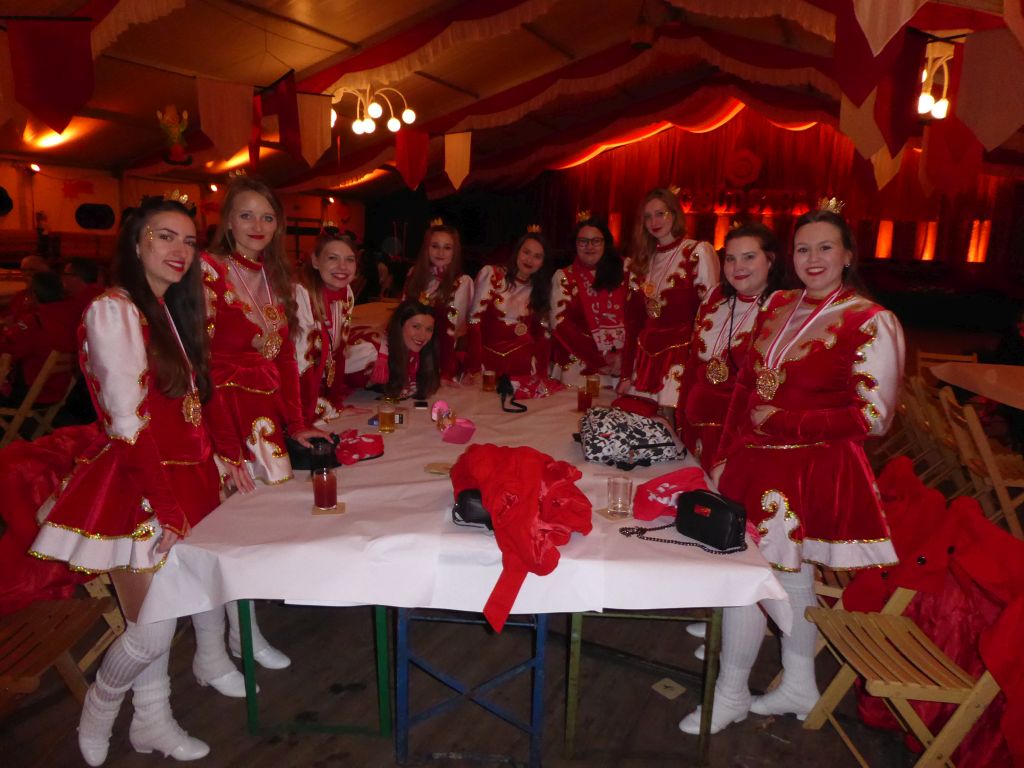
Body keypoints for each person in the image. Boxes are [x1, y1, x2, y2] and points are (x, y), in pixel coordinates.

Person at [679, 207, 906, 736]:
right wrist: (725, 456)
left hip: (810, 470)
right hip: (753, 463)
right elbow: (746, 387)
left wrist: (785, 420)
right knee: (771, 577)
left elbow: (873, 418)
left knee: (765, 577)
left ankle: (735, 694)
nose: (813, 258)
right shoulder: (779, 304)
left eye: (825, 247)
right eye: (804, 248)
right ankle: (792, 686)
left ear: (848, 255)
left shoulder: (870, 320)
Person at [27, 197, 233, 765]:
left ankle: (152, 722)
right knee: (150, 632)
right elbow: (128, 423)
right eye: (165, 236)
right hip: (136, 484)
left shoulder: (165, 310)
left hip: (179, 479)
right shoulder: (113, 310)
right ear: (136, 243)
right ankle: (98, 710)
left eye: (188, 241)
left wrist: (219, 464)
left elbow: (185, 412)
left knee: (169, 616)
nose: (179, 250)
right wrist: (166, 506)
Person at [197, 176, 327, 690]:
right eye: (247, 215)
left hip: (263, 422)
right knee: (223, 536)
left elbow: (287, 361)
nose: (257, 225)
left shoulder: (278, 279)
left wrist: (296, 423)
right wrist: (225, 447)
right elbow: (199, 363)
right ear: (228, 221)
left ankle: (243, 633)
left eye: (267, 217)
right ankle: (218, 648)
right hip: (221, 419)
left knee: (251, 532)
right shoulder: (207, 271)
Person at [676, 223, 784, 470]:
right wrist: (680, 420)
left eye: (749, 257)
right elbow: (692, 364)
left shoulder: (783, 310)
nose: (737, 267)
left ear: (770, 260)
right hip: (695, 425)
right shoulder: (715, 297)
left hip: (739, 435)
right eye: (731, 259)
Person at [617, 188, 719, 408]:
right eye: (648, 216)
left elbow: (711, 314)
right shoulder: (639, 263)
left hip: (681, 360)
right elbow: (633, 323)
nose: (654, 222)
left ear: (674, 214)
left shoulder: (697, 253)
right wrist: (626, 374)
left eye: (660, 214)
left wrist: (701, 367)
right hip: (645, 362)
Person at [293, 229, 364, 424]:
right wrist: (313, 412)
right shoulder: (301, 293)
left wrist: (335, 403)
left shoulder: (346, 292)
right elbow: (301, 358)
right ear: (315, 261)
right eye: (333, 258)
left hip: (317, 372)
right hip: (289, 377)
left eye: (350, 260)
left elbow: (339, 351)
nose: (343, 266)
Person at [550, 215, 626, 387]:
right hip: (578, 367)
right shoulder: (564, 277)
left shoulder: (625, 272)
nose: (589, 246)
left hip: (620, 366)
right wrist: (598, 359)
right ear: (575, 245)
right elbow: (560, 325)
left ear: (605, 243)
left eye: (596, 241)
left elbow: (636, 317)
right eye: (583, 241)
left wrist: (623, 356)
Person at [466, 231, 551, 378]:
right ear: (517, 252)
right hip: (487, 367)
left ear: (543, 262)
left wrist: (541, 375)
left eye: (537, 256)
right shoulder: (492, 275)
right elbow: (474, 322)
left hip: (523, 369)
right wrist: (475, 368)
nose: (529, 260)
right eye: (526, 252)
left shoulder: (540, 291)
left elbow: (543, 338)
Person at [402, 220, 472, 380]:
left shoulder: (462, 282)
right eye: (435, 246)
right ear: (426, 248)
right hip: (409, 345)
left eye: (447, 248)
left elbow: (456, 329)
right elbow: (403, 313)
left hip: (440, 352)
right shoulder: (414, 273)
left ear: (455, 252)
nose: (440, 252)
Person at [0, 271, 80, 408]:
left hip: (29, 395)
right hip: (57, 392)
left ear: (34, 295)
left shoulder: (35, 322)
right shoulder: (73, 314)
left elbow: (6, 347)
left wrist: (9, 329)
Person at [369, 299, 440, 399]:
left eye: (429, 329)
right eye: (416, 327)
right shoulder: (373, 353)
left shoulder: (423, 354)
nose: (423, 336)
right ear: (400, 325)